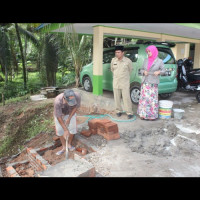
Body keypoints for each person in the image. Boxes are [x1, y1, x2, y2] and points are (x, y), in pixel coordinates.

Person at [137, 45, 165, 121]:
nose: (148, 53)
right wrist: (144, 72)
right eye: (147, 51)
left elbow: (164, 71)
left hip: (153, 83)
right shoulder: (146, 60)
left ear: (154, 51)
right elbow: (141, 70)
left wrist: (159, 72)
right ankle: (143, 114)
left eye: (149, 51)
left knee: (152, 100)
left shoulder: (159, 61)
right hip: (145, 82)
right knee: (144, 99)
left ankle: (151, 116)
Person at [54, 89, 81, 155]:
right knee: (60, 130)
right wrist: (65, 130)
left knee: (72, 129)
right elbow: (59, 117)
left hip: (70, 113)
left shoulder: (77, 96)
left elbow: (75, 108)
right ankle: (64, 147)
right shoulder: (58, 101)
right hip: (60, 115)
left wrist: (69, 118)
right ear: (64, 98)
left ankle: (69, 144)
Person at [111, 45, 134, 119]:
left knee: (126, 98)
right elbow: (112, 70)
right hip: (116, 82)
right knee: (117, 98)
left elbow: (130, 70)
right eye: (116, 52)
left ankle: (129, 112)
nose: (117, 54)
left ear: (122, 53)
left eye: (118, 52)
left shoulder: (128, 61)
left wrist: (124, 77)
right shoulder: (113, 60)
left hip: (124, 83)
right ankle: (118, 111)